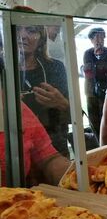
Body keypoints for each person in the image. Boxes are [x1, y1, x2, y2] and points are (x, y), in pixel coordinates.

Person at [17, 24, 71, 157]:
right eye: (17, 29)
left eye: (31, 30)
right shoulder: (3, 69)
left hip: (54, 149)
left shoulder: (55, 68)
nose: (23, 35)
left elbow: (74, 117)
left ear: (41, 38)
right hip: (14, 151)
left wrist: (61, 103)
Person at [82, 27, 107, 138]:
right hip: (91, 94)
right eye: (96, 37)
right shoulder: (87, 54)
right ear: (91, 40)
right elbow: (87, 72)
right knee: (94, 123)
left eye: (101, 36)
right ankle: (98, 144)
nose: (99, 40)